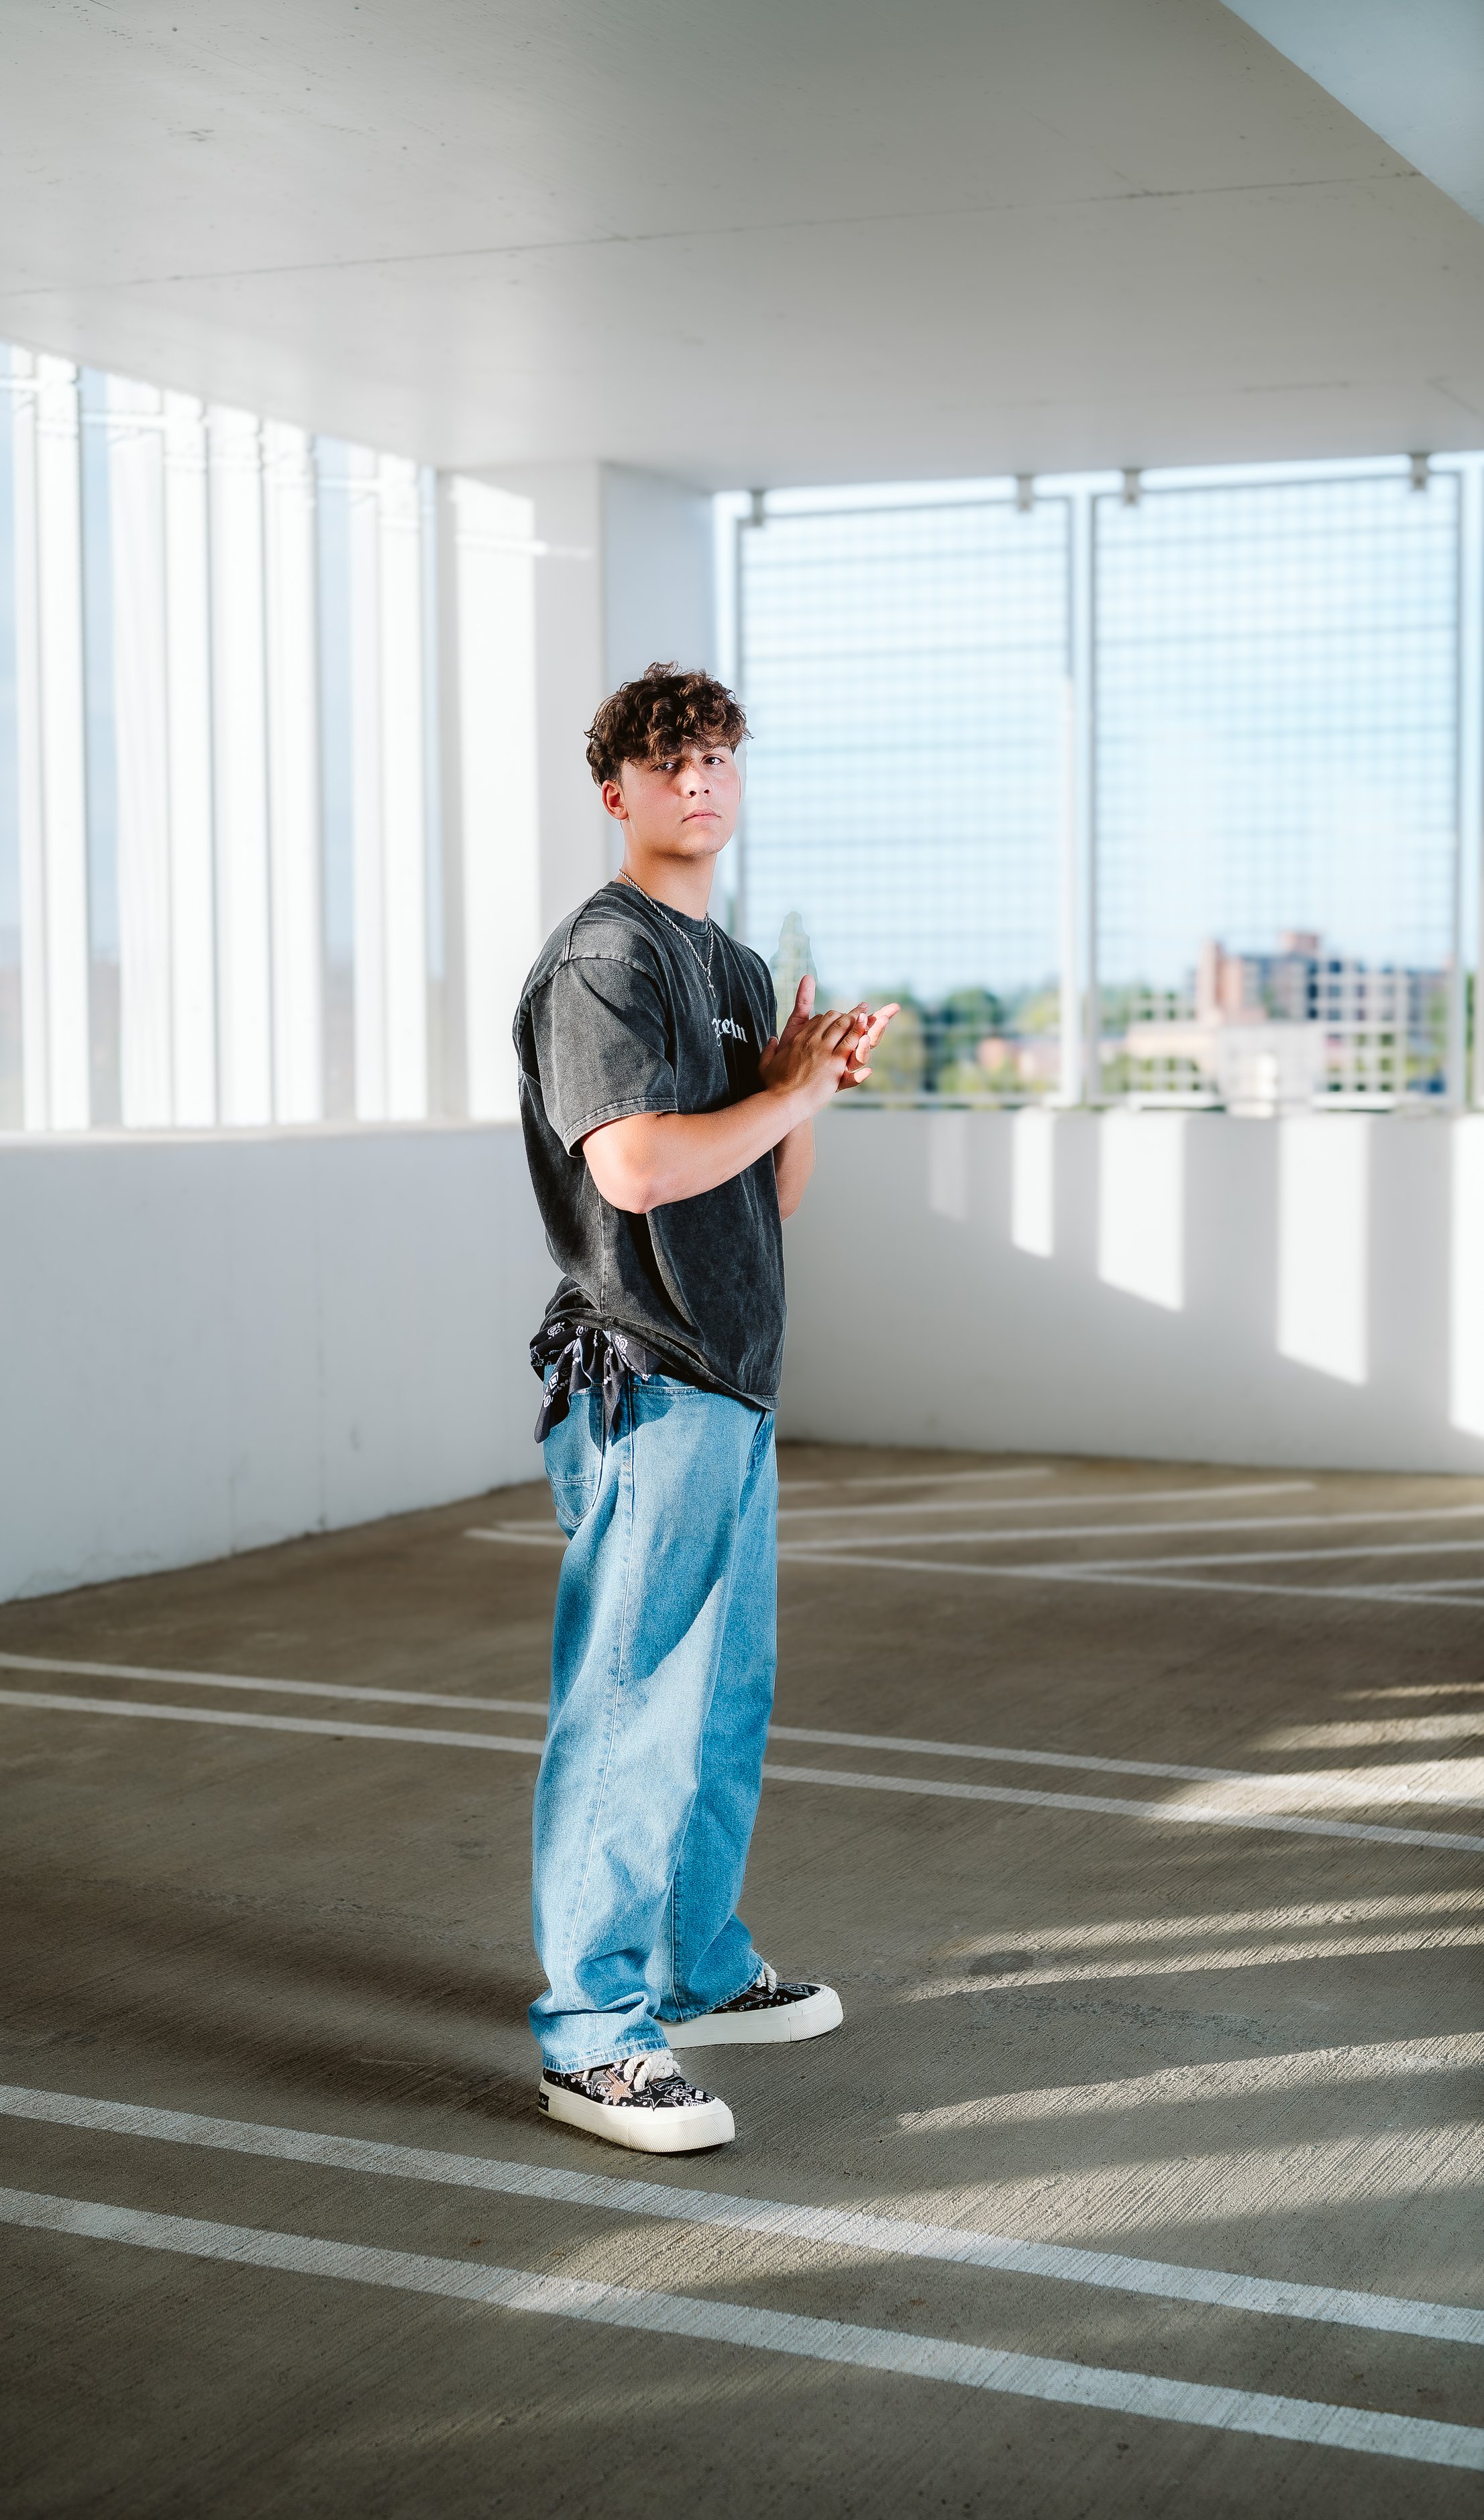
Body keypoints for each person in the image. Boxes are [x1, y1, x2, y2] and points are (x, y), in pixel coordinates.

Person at [512, 661, 898, 2154]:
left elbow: (769, 1186)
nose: (700, 782)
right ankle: (594, 2037)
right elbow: (635, 1171)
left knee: (722, 1697)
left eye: (720, 757)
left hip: (733, 1386)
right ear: (615, 791)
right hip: (646, 1377)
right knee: (631, 1711)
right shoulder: (605, 959)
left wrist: (807, 1087)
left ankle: (693, 1968)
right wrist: (777, 1097)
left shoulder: (732, 966)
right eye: (670, 762)